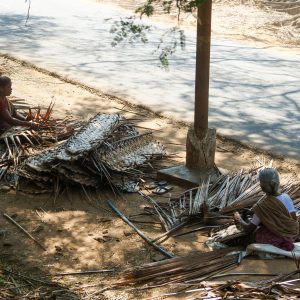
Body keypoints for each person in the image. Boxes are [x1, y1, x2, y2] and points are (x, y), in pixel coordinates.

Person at [234, 167, 299, 251]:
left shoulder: (262, 207)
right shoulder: (286, 197)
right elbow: (293, 219)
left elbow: (249, 229)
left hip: (275, 240)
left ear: (262, 186)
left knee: (253, 235)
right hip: (291, 236)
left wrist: (240, 220)